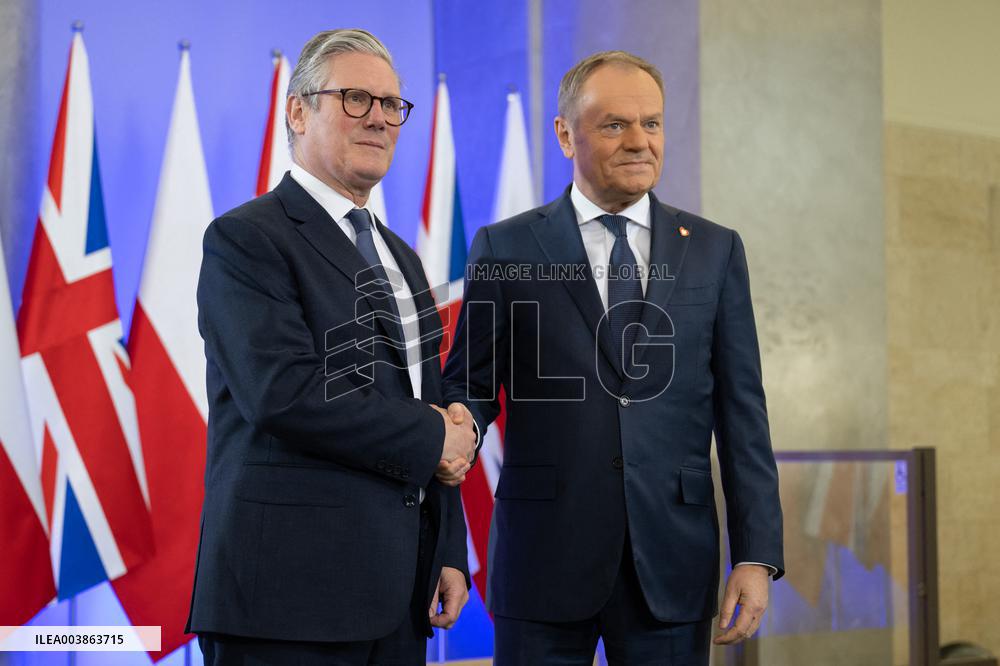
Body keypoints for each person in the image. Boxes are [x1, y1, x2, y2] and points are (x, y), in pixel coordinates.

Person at [442, 50, 784, 664]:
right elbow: (467, 391)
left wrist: (755, 555)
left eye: (651, 123)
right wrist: (447, 529)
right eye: (615, 125)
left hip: (673, 562)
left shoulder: (715, 250)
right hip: (542, 558)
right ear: (565, 134)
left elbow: (743, 415)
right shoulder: (505, 246)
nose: (639, 141)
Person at [186, 29, 476, 665]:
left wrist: (448, 548)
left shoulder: (401, 256)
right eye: (354, 98)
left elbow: (424, 401)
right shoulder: (246, 239)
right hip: (285, 601)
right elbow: (282, 392)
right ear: (298, 111)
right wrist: (436, 436)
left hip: (399, 598)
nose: (379, 118)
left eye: (391, 104)